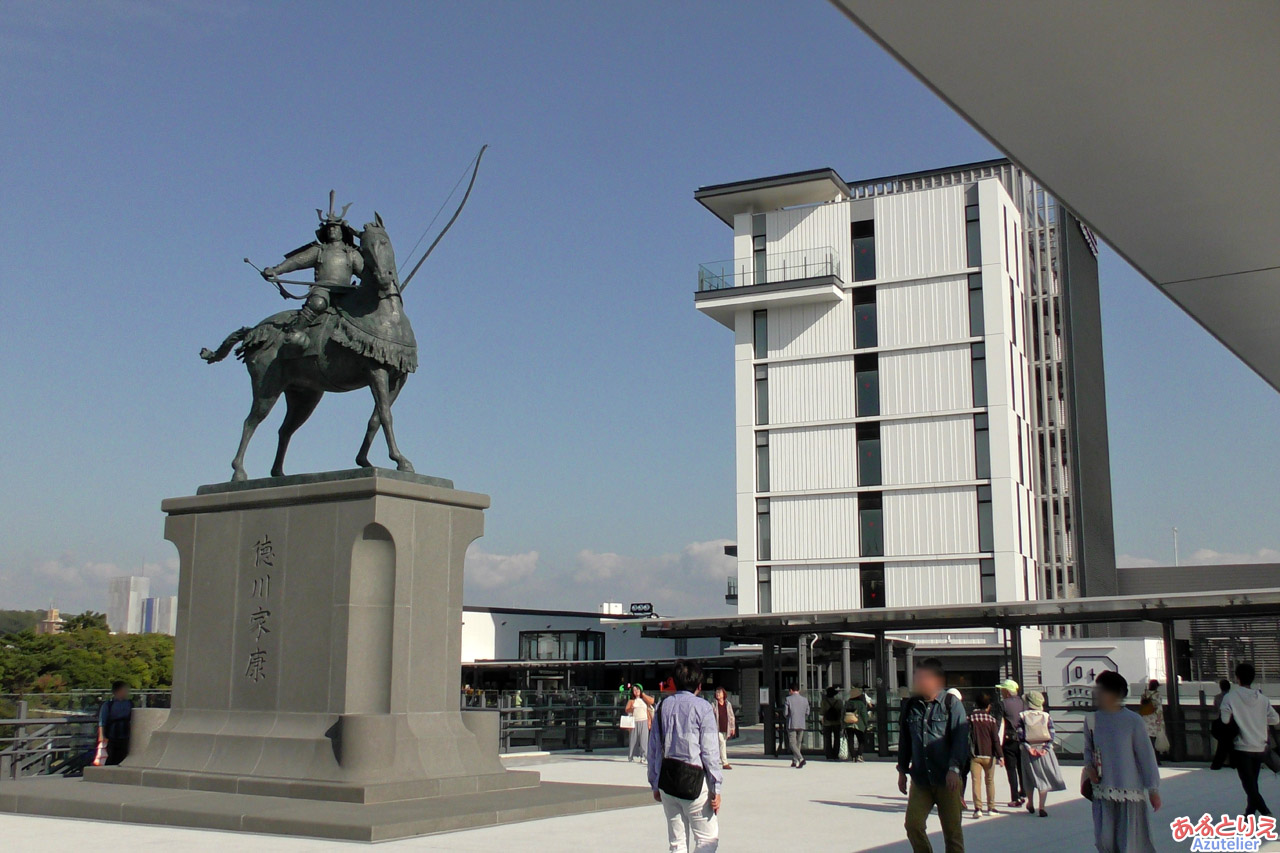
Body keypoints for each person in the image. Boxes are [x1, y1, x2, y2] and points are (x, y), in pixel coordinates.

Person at [261, 192, 363, 345]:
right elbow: (296, 261)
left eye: (335, 228)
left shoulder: (352, 253)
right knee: (318, 304)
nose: (332, 231)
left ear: (343, 231)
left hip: (347, 291)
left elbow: (365, 274)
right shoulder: (319, 250)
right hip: (323, 289)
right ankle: (295, 331)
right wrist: (276, 270)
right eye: (329, 229)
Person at [648, 660, 722, 852]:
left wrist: (655, 782)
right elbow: (710, 752)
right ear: (699, 685)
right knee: (707, 839)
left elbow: (653, 749)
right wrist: (716, 787)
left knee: (677, 843)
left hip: (668, 781)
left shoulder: (662, 706)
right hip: (695, 783)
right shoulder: (703, 708)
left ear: (675, 681)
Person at [1084, 670, 1161, 853]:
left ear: (1116, 693)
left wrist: (1153, 789)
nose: (1098, 693)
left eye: (1102, 690)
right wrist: (1089, 768)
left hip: (1130, 790)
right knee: (1106, 842)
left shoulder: (1133, 721)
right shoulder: (1092, 719)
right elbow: (1088, 749)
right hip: (1102, 791)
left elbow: (1146, 756)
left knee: (1130, 843)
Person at [897, 658, 969, 853]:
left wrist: (954, 769)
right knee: (913, 825)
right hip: (921, 779)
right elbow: (905, 740)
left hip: (948, 780)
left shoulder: (951, 704)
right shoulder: (911, 705)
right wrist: (902, 770)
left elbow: (961, 739)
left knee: (952, 833)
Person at [1220, 661, 1280, 817]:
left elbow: (1225, 720)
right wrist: (1258, 718)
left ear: (1237, 678)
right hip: (1260, 746)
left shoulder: (1230, 697)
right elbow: (1275, 719)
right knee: (1252, 782)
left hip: (1242, 747)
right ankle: (1249, 813)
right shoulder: (1262, 699)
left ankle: (1265, 811)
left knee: (1248, 784)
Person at [1018, 691, 1066, 817]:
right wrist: (1046, 748)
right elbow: (1052, 734)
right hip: (1044, 750)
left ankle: (1030, 803)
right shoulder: (1046, 716)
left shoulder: (1022, 716)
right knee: (1043, 777)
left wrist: (1029, 748)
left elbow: (1020, 735)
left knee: (1028, 777)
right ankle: (1042, 806)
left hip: (1028, 751)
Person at [967, 690, 1003, 818]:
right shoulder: (992, 720)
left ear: (976, 704)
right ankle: (991, 807)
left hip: (975, 754)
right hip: (989, 755)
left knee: (976, 781)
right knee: (990, 781)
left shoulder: (971, 718)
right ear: (989, 706)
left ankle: (978, 809)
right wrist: (1000, 755)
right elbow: (995, 739)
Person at [996, 679, 1025, 807]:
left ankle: (1015, 797)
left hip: (1010, 740)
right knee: (1022, 768)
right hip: (1024, 740)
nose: (1001, 692)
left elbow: (997, 724)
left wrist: (996, 745)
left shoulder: (1002, 704)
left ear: (1007, 691)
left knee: (1011, 769)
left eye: (1002, 690)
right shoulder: (1024, 703)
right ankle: (1024, 792)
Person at [97, 681, 133, 766]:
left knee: (123, 756)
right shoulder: (108, 704)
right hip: (113, 735)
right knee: (112, 757)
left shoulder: (129, 703)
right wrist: (102, 736)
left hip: (126, 734)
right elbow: (102, 721)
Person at [1138, 680, 1165, 764]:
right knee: (1155, 740)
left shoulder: (1144, 694)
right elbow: (1159, 708)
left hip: (1145, 718)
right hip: (1154, 718)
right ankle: (1156, 759)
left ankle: (1147, 759)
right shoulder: (1157, 695)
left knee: (1147, 739)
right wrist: (1160, 719)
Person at [626, 683, 655, 763]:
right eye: (634, 690)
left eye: (637, 689)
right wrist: (631, 709)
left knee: (644, 740)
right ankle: (630, 756)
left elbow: (651, 701)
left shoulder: (644, 700)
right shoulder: (631, 701)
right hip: (634, 721)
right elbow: (627, 709)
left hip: (644, 721)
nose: (636, 691)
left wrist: (643, 695)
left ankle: (644, 756)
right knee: (633, 740)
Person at [1210, 678, 1235, 770]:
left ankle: (1218, 763)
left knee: (1222, 744)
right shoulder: (1233, 697)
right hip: (1232, 722)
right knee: (1231, 743)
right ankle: (1233, 762)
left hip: (1220, 722)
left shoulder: (1217, 697)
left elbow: (1215, 710)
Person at [785, 684, 810, 769]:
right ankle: (794, 761)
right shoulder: (805, 700)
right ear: (798, 690)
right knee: (798, 743)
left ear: (791, 690)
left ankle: (801, 759)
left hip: (791, 724)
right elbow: (807, 712)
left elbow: (785, 713)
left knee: (792, 743)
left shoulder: (788, 699)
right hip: (801, 723)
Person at [844, 686, 871, 762]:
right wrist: (866, 724)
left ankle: (853, 756)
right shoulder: (861, 704)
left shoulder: (847, 703)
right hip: (859, 724)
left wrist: (843, 724)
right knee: (861, 740)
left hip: (848, 724)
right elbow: (864, 715)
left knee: (850, 740)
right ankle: (859, 755)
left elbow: (843, 714)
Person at [713, 686, 736, 770]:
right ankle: (725, 763)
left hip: (725, 727)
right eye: (717, 692)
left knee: (721, 744)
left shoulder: (727, 704)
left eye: (719, 692)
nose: (718, 694)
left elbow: (731, 716)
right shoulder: (713, 704)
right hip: (717, 728)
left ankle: (718, 761)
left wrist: (732, 727)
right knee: (722, 743)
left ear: (723, 694)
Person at [820, 686, 844, 760]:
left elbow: (822, 713)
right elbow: (842, 712)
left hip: (827, 723)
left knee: (828, 739)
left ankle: (829, 754)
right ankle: (835, 754)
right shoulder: (839, 702)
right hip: (837, 722)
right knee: (837, 739)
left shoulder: (824, 702)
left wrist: (822, 723)